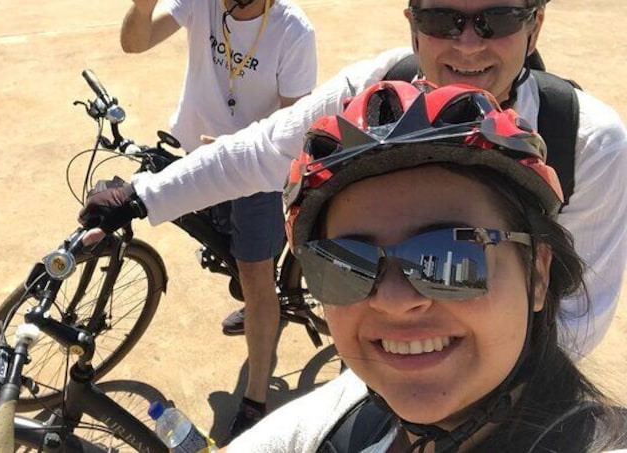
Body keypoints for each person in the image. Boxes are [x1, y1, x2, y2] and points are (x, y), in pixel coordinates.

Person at [80, 0, 627, 360]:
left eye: (497, 19)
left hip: (496, 387)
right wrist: (139, 196)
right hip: (381, 358)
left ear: (536, 25)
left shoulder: (584, 142)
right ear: (412, 24)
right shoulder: (379, 88)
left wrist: (452, 385)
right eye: (441, 20)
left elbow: (576, 318)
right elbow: (261, 150)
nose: (466, 43)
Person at [224, 79, 627, 452]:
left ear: (537, 274)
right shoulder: (345, 411)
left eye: (450, 258)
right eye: (347, 265)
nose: (394, 300)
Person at [118, 0, 317, 437]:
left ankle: (256, 394)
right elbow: (135, 44)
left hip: (255, 171)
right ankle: (259, 304)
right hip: (199, 153)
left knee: (255, 277)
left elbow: (289, 130)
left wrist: (229, 147)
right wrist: (141, 6)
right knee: (223, 246)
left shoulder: (294, 31)